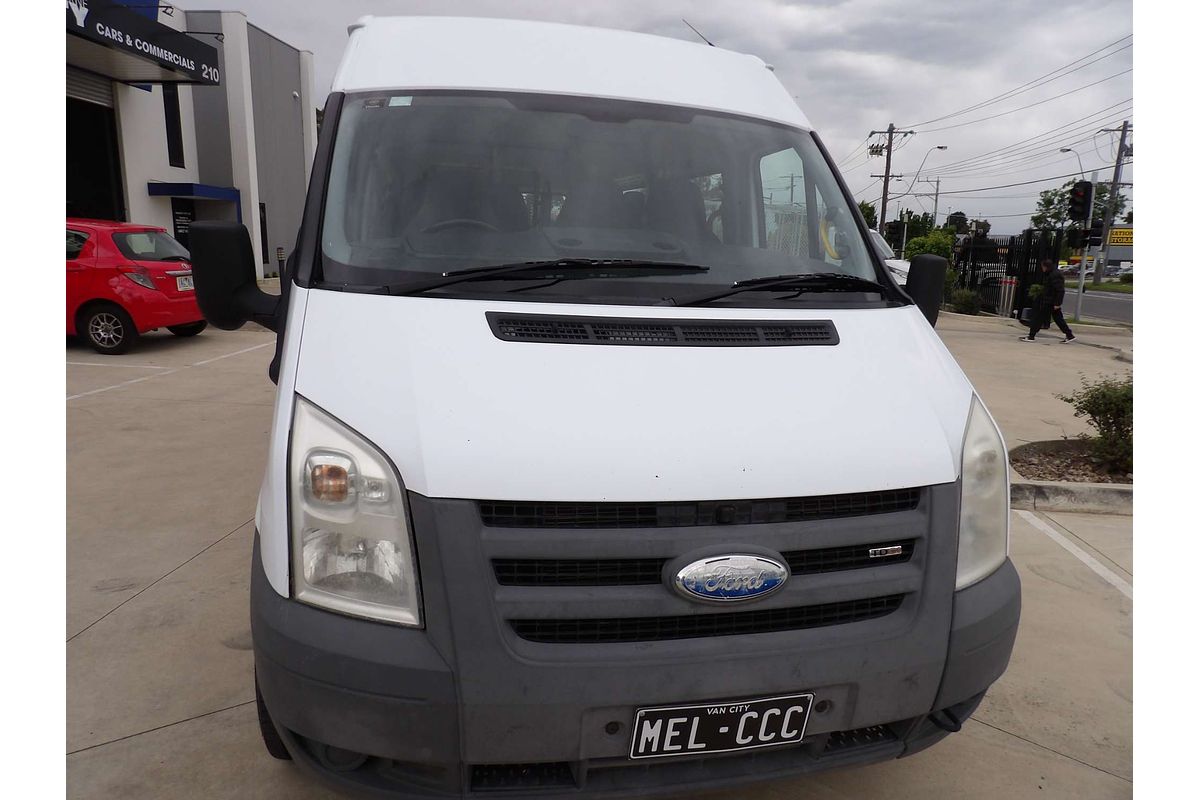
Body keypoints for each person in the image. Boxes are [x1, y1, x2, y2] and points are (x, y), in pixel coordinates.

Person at [1019, 258, 1075, 342]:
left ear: (1046, 267)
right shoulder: (1051, 274)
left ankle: (1031, 336)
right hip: (1050, 300)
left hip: (1050, 301)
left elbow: (1060, 290)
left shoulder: (1054, 275)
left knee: (1038, 317)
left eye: (1042, 267)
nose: (1042, 269)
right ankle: (1069, 335)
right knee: (1058, 319)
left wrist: (1057, 303)